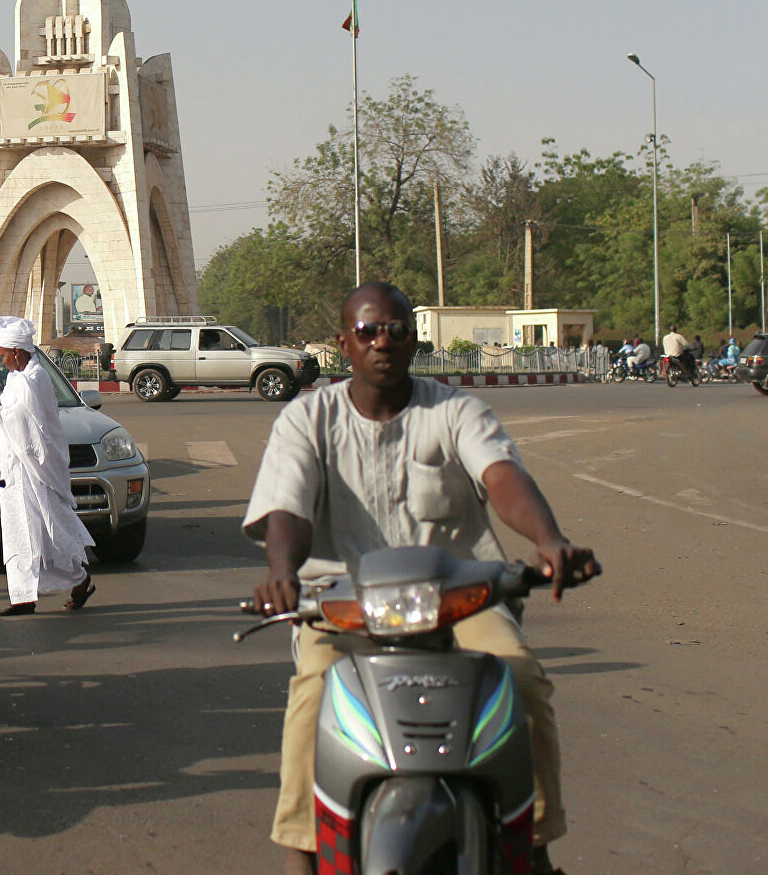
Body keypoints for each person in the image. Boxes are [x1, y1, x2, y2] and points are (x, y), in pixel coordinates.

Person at [244, 282, 600, 875]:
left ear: (415, 339)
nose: (383, 341)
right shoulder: (307, 418)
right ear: (343, 344)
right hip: (342, 604)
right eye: (368, 331)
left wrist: (549, 540)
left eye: (397, 330)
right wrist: (282, 574)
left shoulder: (455, 410)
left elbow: (503, 476)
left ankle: (531, 845)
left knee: (522, 684)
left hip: (460, 599)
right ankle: (302, 852)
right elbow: (287, 509)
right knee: (314, 695)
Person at [0, 316, 94, 616]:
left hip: (35, 468)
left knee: (49, 527)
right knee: (20, 530)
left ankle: (80, 579)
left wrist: (2, 413)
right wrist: (0, 412)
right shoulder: (16, 378)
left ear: (17, 352)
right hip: (15, 469)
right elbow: (15, 416)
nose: (2, 360)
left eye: (4, 354)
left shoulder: (36, 378)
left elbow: (31, 422)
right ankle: (23, 596)